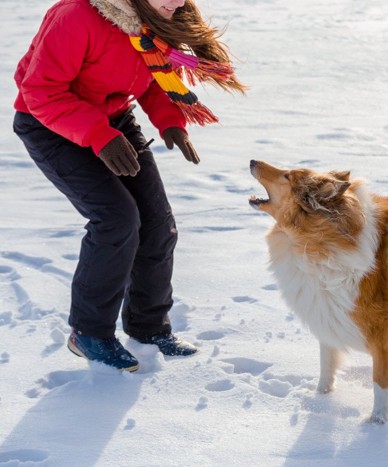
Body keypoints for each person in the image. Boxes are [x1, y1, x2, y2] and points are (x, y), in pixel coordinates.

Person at [12, 0, 246, 371]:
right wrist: (97, 136)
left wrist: (170, 120)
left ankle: (148, 327)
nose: (177, 3)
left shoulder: (152, 22)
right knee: (116, 221)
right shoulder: (78, 16)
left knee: (157, 224)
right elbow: (42, 91)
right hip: (50, 125)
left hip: (113, 122)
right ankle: (89, 333)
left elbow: (152, 78)